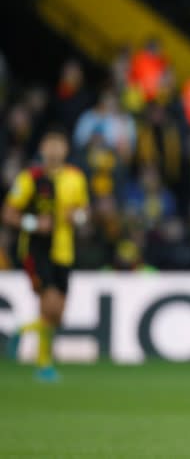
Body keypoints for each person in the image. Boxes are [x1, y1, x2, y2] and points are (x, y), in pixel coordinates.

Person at [3, 127, 90, 381]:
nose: (54, 150)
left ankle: (24, 331)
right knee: (48, 302)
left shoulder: (76, 177)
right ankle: (43, 365)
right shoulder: (29, 178)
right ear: (42, 150)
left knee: (58, 315)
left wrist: (78, 217)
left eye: (58, 145)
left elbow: (85, 212)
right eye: (49, 145)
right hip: (36, 249)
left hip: (65, 250)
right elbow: (8, 213)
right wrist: (33, 223)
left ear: (65, 150)